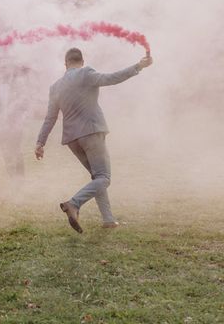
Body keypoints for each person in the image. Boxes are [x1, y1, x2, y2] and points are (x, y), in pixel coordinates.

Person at [35, 48, 153, 233]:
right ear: (82, 61)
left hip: (72, 140)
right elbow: (112, 78)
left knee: (97, 177)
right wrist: (138, 66)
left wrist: (40, 143)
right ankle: (73, 204)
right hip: (91, 133)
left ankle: (108, 219)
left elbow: (50, 118)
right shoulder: (86, 72)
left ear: (65, 64)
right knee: (104, 178)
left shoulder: (55, 87)